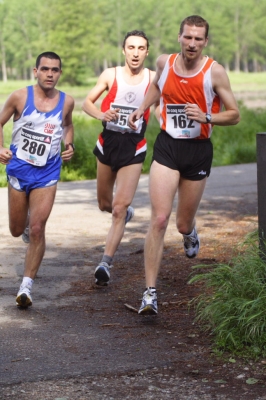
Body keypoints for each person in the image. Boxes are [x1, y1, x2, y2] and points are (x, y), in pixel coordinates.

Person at [128, 15, 240, 315]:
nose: (192, 43)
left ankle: (190, 232)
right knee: (160, 220)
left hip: (198, 150)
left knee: (180, 223)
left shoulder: (214, 72)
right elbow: (157, 88)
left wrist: (207, 117)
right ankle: (150, 293)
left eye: (198, 39)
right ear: (180, 37)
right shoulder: (165, 63)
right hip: (167, 146)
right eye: (187, 37)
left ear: (205, 42)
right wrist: (141, 108)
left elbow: (235, 114)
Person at [0, 51, 75, 307]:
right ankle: (26, 225)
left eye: (55, 70)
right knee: (16, 229)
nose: (50, 74)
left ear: (60, 73)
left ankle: (26, 286)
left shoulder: (67, 101)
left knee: (37, 229)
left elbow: (68, 125)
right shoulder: (20, 96)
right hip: (19, 170)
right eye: (45, 69)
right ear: (36, 71)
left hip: (47, 172)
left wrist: (70, 144)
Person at [82, 30, 157, 286]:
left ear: (147, 52)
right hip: (107, 145)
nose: (135, 53)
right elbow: (87, 103)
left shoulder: (153, 79)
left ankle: (105, 262)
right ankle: (123, 212)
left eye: (141, 48)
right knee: (104, 204)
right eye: (131, 47)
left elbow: (165, 101)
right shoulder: (110, 75)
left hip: (134, 147)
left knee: (118, 209)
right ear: (123, 50)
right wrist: (102, 115)